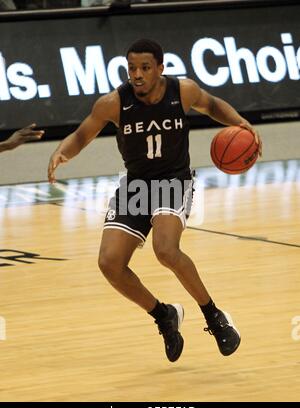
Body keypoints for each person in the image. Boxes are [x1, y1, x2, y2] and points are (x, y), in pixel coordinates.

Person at [48, 39, 262, 362]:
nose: (137, 75)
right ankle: (164, 315)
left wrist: (240, 123)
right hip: (136, 185)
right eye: (132, 68)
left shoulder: (183, 91)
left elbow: (212, 104)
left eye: (145, 68)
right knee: (109, 263)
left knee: (166, 249)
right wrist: (61, 152)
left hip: (173, 181)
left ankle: (213, 315)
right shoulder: (113, 103)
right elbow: (82, 135)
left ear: (160, 69)